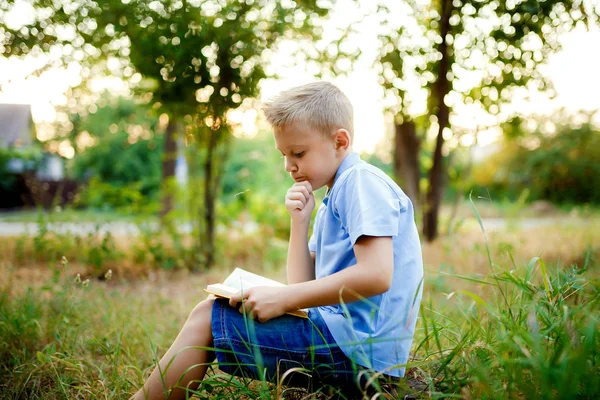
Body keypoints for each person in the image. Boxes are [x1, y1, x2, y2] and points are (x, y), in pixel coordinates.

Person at [131, 81, 424, 400]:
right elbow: (302, 283)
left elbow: (377, 275)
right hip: (351, 346)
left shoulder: (360, 182)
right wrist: (299, 223)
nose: (289, 166)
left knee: (206, 317)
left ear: (340, 141)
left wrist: (283, 299)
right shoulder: (332, 197)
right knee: (214, 310)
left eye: (298, 153)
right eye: (284, 155)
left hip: (360, 353)